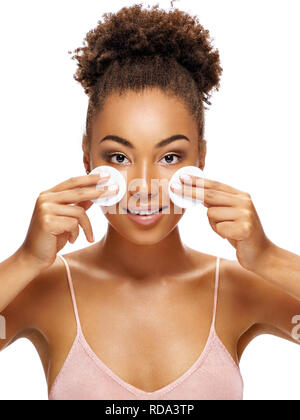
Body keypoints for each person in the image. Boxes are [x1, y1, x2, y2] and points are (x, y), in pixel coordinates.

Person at [0, 3, 300, 400]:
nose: (143, 186)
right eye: (119, 157)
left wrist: (267, 257)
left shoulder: (238, 289)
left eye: (170, 157)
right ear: (87, 157)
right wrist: (25, 260)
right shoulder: (44, 290)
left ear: (201, 158)